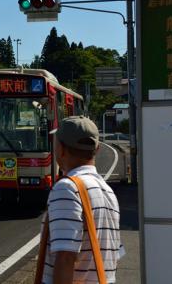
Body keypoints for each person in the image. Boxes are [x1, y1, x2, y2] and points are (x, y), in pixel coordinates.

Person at [41, 116, 121, 284]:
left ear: (61, 149)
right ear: (97, 149)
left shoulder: (67, 188)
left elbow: (66, 258)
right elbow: (114, 255)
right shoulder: (108, 192)